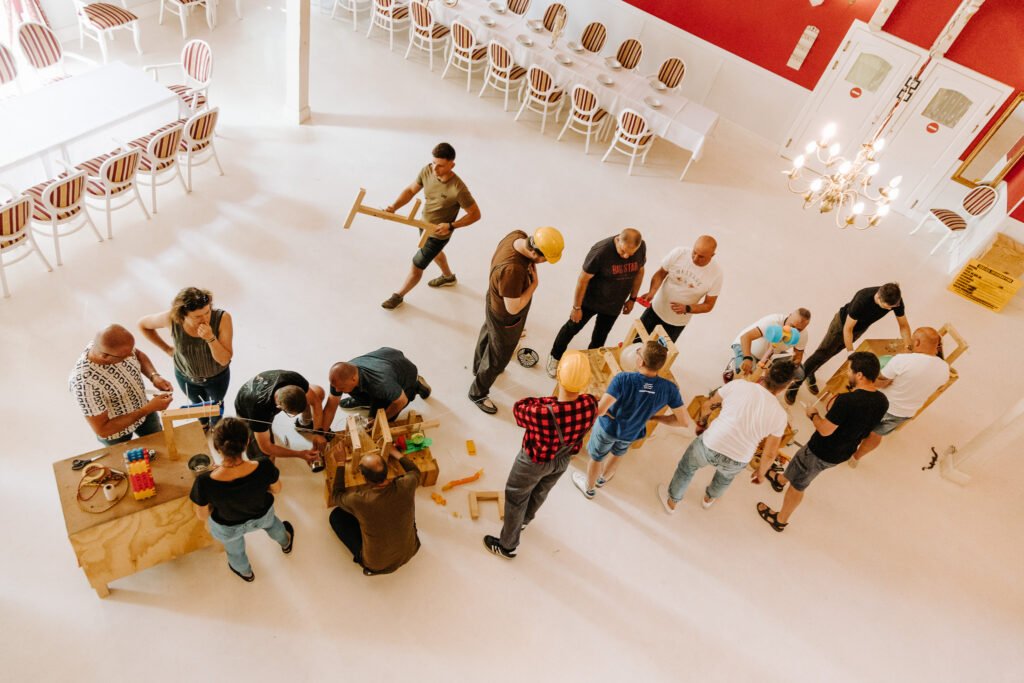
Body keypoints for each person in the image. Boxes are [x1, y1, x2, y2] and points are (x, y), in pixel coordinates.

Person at [484, 352, 599, 559]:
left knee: (516, 496)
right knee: (540, 491)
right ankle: (525, 520)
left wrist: (548, 401)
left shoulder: (543, 412)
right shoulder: (590, 404)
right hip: (563, 460)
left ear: (558, 377)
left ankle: (507, 546)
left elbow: (519, 409)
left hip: (534, 461)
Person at [757, 352, 888, 532]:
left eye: (849, 370)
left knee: (799, 485)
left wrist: (813, 414)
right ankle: (780, 479)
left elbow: (825, 430)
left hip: (820, 451)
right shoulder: (883, 401)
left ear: (859, 375)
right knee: (798, 462)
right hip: (843, 451)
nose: (846, 374)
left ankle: (780, 519)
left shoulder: (846, 401)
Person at [658, 361, 794, 512]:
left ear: (766, 372)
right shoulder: (780, 416)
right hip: (739, 457)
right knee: (724, 479)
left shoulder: (739, 385)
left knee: (686, 468)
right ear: (785, 387)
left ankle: (672, 502)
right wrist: (761, 473)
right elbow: (770, 453)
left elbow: (707, 405)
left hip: (712, 442)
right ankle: (708, 499)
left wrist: (702, 423)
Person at [572, 340, 690, 499]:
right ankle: (602, 479)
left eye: (638, 351)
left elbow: (600, 410)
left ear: (641, 361)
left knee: (597, 457)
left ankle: (589, 488)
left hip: (608, 429)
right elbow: (683, 422)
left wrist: (599, 407)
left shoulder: (623, 379)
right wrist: (655, 417)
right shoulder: (670, 389)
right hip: (633, 432)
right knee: (618, 454)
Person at [469, 226, 565, 415]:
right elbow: (513, 307)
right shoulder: (513, 270)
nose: (544, 262)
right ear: (534, 252)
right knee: (499, 355)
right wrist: (534, 286)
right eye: (544, 258)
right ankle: (478, 392)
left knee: (488, 331)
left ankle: (478, 367)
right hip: (506, 316)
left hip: (494, 301)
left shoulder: (517, 235)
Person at [189, 418, 294, 582]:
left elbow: (202, 516)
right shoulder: (264, 465)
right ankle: (285, 543)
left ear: (217, 448)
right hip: (262, 516)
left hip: (228, 527)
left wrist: (219, 500)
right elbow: (277, 489)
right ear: (246, 442)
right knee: (274, 526)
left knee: (235, 550)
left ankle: (246, 572)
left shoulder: (204, 482)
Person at [380, 142, 482, 310]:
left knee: (417, 264)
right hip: (423, 224)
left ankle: (398, 295)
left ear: (452, 165)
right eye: (434, 163)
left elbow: (475, 214)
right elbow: (410, 191)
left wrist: (451, 225)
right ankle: (448, 277)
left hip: (439, 234)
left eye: (440, 166)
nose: (435, 169)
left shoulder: (458, 189)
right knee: (436, 254)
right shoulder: (427, 170)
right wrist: (394, 207)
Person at [546, 228, 646, 378]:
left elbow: (640, 272)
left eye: (630, 254)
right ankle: (555, 356)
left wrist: (633, 298)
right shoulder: (601, 251)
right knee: (572, 328)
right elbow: (583, 279)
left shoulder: (641, 248)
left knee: (600, 338)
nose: (626, 256)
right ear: (618, 239)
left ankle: (589, 365)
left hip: (614, 304)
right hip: (590, 301)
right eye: (622, 252)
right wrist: (577, 307)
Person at [787, 283, 911, 403]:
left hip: (858, 329)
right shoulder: (862, 299)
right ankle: (795, 384)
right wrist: (851, 353)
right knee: (822, 353)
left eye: (893, 306)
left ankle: (810, 373)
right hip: (842, 325)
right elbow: (847, 329)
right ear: (878, 297)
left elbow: (904, 326)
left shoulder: (895, 301)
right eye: (887, 307)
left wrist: (908, 347)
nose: (890, 309)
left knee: (831, 354)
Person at [849, 327, 949, 467]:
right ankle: (855, 458)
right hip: (905, 413)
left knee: (856, 425)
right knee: (877, 435)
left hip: (880, 404)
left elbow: (878, 382)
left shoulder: (903, 360)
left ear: (918, 342)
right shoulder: (945, 369)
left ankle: (843, 448)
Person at [137, 286, 234, 428]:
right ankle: (203, 424)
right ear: (183, 314)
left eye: (207, 312)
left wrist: (211, 338)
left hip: (217, 377)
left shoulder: (222, 318)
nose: (205, 319)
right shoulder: (171, 319)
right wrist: (167, 349)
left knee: (215, 405)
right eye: (197, 316)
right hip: (186, 377)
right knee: (196, 405)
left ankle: (216, 426)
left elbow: (224, 359)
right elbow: (143, 325)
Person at [69, 324, 174, 445]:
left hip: (145, 413)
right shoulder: (84, 384)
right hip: (116, 433)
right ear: (105, 356)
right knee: (126, 462)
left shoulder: (113, 347)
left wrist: (154, 376)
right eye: (125, 356)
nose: (131, 356)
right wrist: (148, 409)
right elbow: (103, 430)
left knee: (161, 445)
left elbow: (138, 355)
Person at [329, 448, 422, 575]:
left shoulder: (360, 500)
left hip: (377, 564)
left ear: (364, 477)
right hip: (411, 550)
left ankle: (367, 565)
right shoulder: (407, 484)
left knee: (336, 516)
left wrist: (340, 463)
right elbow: (415, 471)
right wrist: (395, 452)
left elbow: (336, 496)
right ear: (387, 469)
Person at [636, 235, 722, 343]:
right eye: (694, 252)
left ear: (712, 255)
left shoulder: (716, 274)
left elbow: (709, 305)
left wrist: (687, 308)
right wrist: (652, 291)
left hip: (675, 324)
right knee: (633, 345)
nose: (695, 258)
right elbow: (661, 273)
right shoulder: (679, 253)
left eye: (701, 257)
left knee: (654, 357)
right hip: (654, 311)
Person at [233, 370, 326, 467]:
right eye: (292, 414)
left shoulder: (294, 379)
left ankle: (303, 424)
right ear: (279, 406)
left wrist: (318, 432)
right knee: (264, 458)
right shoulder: (259, 409)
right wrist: (300, 454)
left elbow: (315, 402)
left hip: (267, 391)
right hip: (246, 410)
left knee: (318, 392)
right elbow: (267, 447)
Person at [322, 348, 431, 427]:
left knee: (381, 421)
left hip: (406, 374)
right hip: (386, 359)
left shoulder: (381, 383)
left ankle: (417, 386)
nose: (337, 391)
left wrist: (379, 420)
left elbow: (401, 401)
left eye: (341, 388)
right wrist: (322, 433)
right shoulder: (341, 376)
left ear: (354, 379)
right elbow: (331, 406)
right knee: (364, 395)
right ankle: (366, 401)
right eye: (334, 387)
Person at [726, 308, 810, 399]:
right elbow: (745, 337)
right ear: (789, 316)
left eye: (799, 329)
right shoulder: (772, 321)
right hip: (748, 350)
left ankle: (766, 384)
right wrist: (747, 358)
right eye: (792, 326)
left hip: (772, 354)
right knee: (747, 377)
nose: (794, 331)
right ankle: (733, 365)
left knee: (799, 373)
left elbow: (798, 357)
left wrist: (787, 370)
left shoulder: (803, 335)